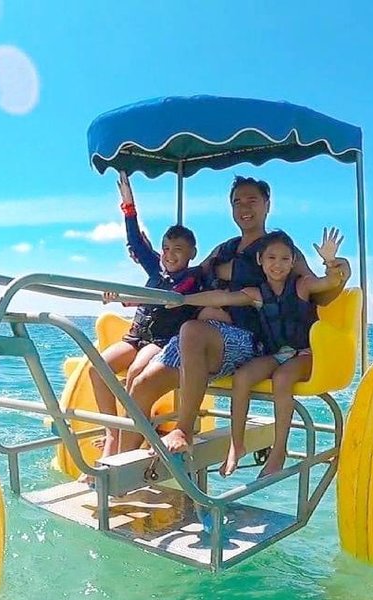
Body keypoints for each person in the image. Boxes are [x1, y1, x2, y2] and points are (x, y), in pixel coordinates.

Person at [116, 175, 352, 456]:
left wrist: (338, 271)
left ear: (267, 204)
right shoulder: (223, 249)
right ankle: (118, 468)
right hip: (199, 341)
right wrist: (150, 256)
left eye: (252, 200)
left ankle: (184, 429)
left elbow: (318, 293)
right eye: (237, 201)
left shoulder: (280, 252)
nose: (244, 207)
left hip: (247, 342)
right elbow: (183, 274)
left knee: (191, 330)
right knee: (142, 385)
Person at [169, 229, 345, 478]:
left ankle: (278, 452)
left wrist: (330, 262)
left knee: (283, 379)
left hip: (304, 355)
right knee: (242, 377)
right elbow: (222, 296)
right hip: (276, 355)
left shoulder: (303, 285)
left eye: (285, 259)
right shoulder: (256, 294)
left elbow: (331, 281)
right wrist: (184, 299)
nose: (278, 265)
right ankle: (236, 444)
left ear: (293, 261)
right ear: (260, 260)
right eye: (272, 258)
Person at [89, 171, 206, 458]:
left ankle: (132, 439)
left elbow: (174, 296)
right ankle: (112, 433)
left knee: (134, 373)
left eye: (178, 250)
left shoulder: (194, 278)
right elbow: (137, 244)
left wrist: (127, 299)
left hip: (161, 341)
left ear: (192, 252)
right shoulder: (157, 269)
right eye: (166, 249)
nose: (169, 254)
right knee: (97, 369)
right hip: (135, 336)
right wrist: (128, 206)